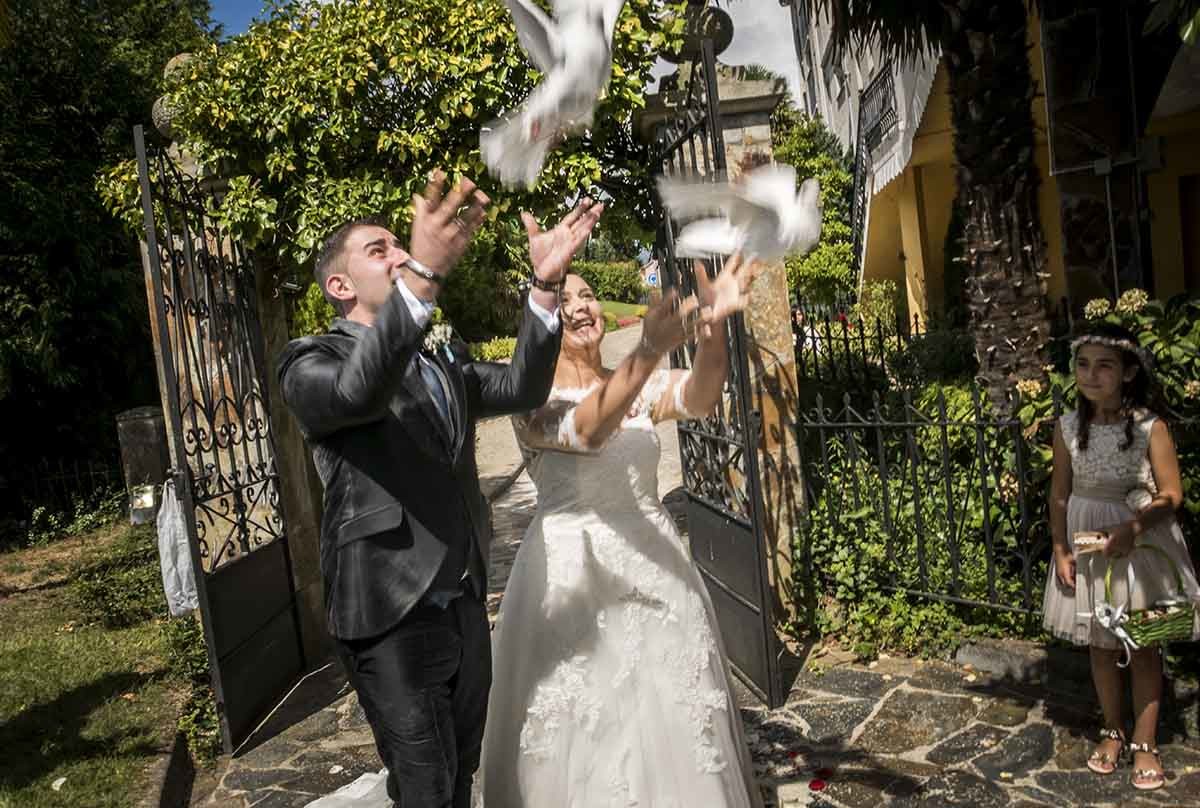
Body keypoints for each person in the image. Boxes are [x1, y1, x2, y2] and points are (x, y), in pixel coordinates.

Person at [279, 170, 603, 808]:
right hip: (388, 611)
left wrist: (544, 287)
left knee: (459, 773)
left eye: (401, 245)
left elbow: (522, 388)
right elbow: (358, 393)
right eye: (380, 250)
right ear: (340, 286)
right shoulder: (309, 362)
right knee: (425, 786)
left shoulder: (441, 359)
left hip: (462, 600)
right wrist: (423, 277)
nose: (399, 254)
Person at [481, 256, 764, 807]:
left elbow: (702, 395)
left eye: (586, 295)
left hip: (657, 570)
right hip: (570, 575)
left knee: (670, 719)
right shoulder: (530, 402)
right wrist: (651, 347)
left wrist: (714, 329)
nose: (580, 308)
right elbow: (587, 430)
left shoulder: (636, 383)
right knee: (587, 730)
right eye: (562, 302)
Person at [1042, 323, 1199, 792]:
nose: (1091, 375)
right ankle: (1112, 729)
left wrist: (1134, 527)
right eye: (1083, 364)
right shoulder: (1068, 427)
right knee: (1101, 644)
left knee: (1142, 643)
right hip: (1088, 547)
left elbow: (1172, 493)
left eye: (1104, 365)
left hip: (1140, 546)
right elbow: (1060, 494)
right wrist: (1060, 548)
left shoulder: (1151, 427)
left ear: (1128, 372)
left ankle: (1145, 742)